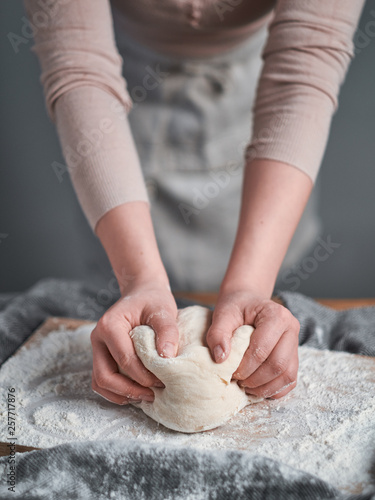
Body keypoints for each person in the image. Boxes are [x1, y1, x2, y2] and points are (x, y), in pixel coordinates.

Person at [24, 0, 364, 407]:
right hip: (117, 134)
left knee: (254, 330)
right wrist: (139, 280)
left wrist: (250, 285)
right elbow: (80, 69)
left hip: (263, 122)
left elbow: (306, 67)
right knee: (124, 313)